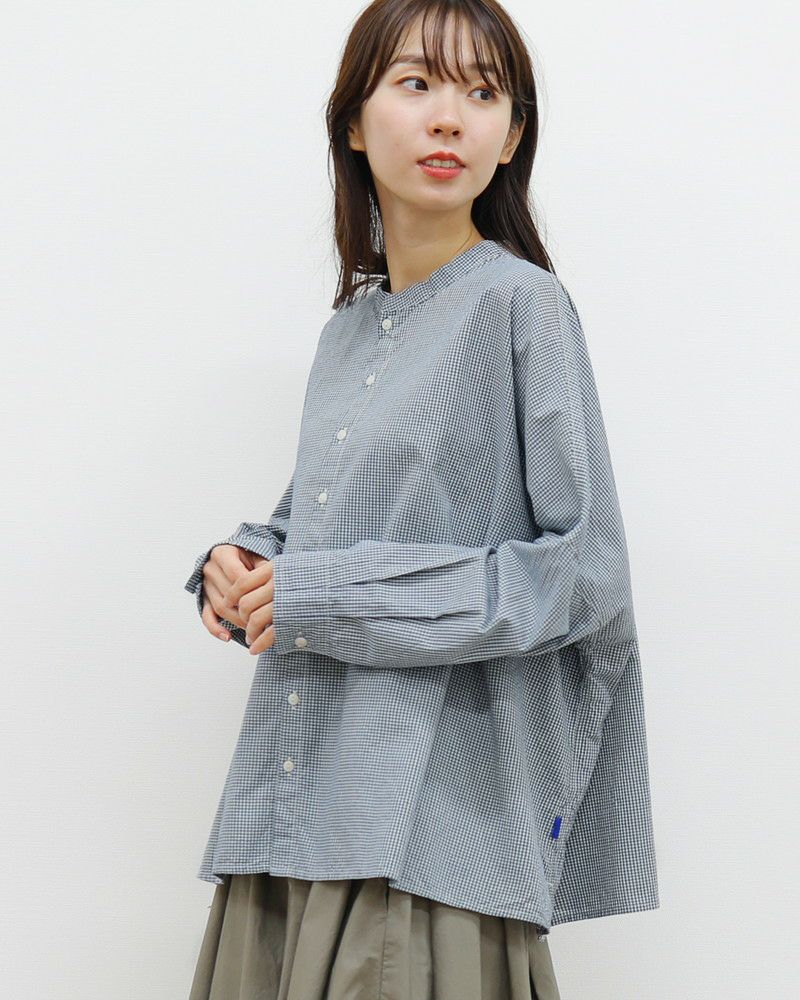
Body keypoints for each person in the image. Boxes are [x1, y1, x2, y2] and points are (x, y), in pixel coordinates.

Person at [184, 1, 659, 997]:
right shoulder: (349, 332)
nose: (449, 117)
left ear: (511, 136)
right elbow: (322, 524)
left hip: (428, 829)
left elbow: (580, 573)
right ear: (354, 123)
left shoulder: (521, 304)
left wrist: (323, 597)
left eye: (482, 93)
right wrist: (243, 566)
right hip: (295, 808)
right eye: (416, 83)